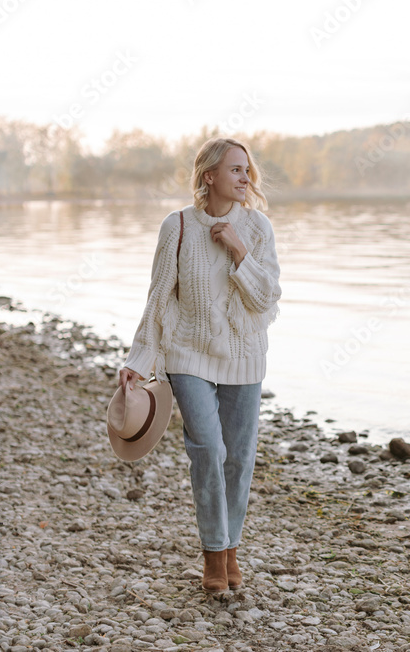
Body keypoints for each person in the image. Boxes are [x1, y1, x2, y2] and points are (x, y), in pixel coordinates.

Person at [119, 137, 281, 592]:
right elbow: (159, 295)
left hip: (245, 357)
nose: (244, 178)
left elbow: (266, 296)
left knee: (240, 458)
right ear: (209, 176)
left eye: (247, 170)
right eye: (234, 170)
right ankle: (214, 554)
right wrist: (140, 357)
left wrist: (237, 249)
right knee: (208, 449)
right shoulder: (179, 226)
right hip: (187, 353)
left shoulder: (257, 227)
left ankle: (231, 550)